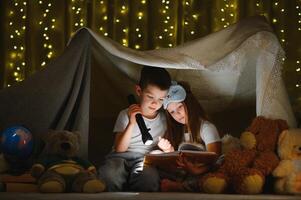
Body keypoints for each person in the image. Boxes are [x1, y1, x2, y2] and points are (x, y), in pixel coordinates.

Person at [98, 66, 171, 192]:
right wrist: (131, 123)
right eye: (150, 97)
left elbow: (166, 148)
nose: (155, 104)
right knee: (109, 175)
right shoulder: (125, 114)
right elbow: (120, 149)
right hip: (120, 157)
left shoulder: (164, 120)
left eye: (161, 99)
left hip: (145, 159)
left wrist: (166, 149)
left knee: (148, 179)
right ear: (138, 90)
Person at [158, 81, 221, 192]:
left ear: (189, 103)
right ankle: (181, 183)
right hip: (185, 172)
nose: (177, 114)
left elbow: (215, 160)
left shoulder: (206, 128)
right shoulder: (177, 130)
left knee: (213, 176)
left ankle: (181, 186)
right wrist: (169, 151)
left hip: (204, 171)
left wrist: (196, 170)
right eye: (172, 112)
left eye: (180, 107)